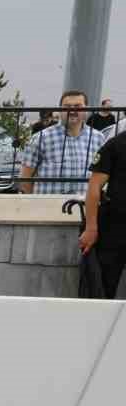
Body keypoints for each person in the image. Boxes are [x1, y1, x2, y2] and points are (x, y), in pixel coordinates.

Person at [21, 91, 109, 196]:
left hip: (83, 208)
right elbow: (25, 179)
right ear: (59, 110)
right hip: (47, 209)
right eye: (67, 106)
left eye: (78, 106)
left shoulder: (98, 139)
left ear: (86, 108)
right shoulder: (41, 138)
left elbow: (102, 176)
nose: (72, 111)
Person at [81, 126, 126, 298]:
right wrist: (91, 228)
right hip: (115, 227)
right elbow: (94, 188)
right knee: (103, 287)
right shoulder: (115, 145)